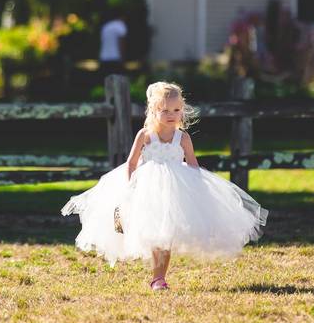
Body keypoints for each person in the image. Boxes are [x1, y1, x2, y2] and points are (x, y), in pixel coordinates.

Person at [61, 82, 269, 290]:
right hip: (148, 188)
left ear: (182, 110)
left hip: (175, 189)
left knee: (166, 233)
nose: (172, 114)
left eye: (176, 110)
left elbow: (193, 164)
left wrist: (200, 190)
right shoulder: (145, 135)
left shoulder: (183, 138)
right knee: (152, 231)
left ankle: (159, 278)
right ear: (154, 110)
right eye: (165, 110)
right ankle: (156, 276)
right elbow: (131, 163)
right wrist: (129, 186)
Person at [98, 8, 127, 78]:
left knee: (107, 83)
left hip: (104, 58)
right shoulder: (120, 25)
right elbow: (121, 43)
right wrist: (123, 58)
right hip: (115, 58)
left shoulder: (106, 27)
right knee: (118, 82)